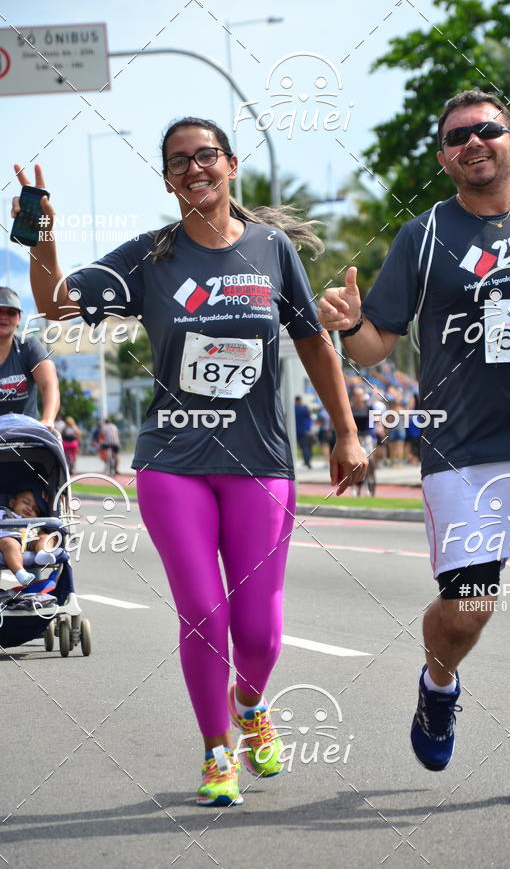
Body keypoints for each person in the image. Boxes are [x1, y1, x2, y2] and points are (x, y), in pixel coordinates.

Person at [14, 118, 366, 808]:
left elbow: (314, 341)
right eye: (179, 161)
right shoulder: (151, 257)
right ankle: (215, 752)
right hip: (173, 459)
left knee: (259, 630)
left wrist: (346, 431)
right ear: (168, 178)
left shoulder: (271, 250)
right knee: (204, 614)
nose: (195, 168)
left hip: (261, 459)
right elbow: (57, 304)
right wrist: (45, 234)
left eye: (207, 155)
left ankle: (251, 703)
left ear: (230, 165)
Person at [318, 89, 510, 804]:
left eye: (487, 130)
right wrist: (351, 326)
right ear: (445, 158)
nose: (474, 143)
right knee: (469, 610)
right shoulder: (426, 236)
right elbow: (378, 346)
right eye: (457, 138)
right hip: (463, 453)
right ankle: (438, 683)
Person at [0, 287, 59, 427]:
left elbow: (49, 384)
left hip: (26, 439)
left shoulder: (30, 347)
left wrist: (48, 419)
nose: (3, 317)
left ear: (19, 318)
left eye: (11, 312)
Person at [0, 489, 59, 586]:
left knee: (45, 537)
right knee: (10, 544)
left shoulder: (35, 522)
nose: (30, 508)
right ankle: (20, 572)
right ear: (12, 502)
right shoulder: (4, 513)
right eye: (25, 502)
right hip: (7, 539)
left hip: (30, 541)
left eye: (36, 510)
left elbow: (43, 534)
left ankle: (43, 553)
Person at [294, 396, 313, 468]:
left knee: (295, 447)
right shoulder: (304, 408)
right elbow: (310, 417)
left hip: (294, 431)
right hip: (304, 431)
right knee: (305, 447)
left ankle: (304, 461)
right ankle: (307, 462)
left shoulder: (293, 409)